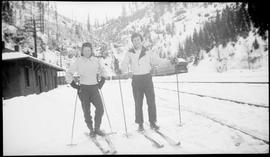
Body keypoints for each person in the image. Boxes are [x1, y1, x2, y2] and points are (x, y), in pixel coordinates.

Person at [116, 33, 177, 132]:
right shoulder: (129, 53)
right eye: (134, 40)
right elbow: (124, 64)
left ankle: (153, 122)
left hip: (147, 79)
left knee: (151, 102)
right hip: (136, 80)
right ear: (132, 42)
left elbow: (158, 61)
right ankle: (140, 124)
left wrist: (170, 61)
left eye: (138, 40)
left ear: (141, 40)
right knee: (138, 103)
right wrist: (124, 71)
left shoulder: (148, 52)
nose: (137, 42)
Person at [66, 42, 107, 137]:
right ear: (82, 51)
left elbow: (103, 70)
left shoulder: (96, 60)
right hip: (83, 89)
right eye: (85, 50)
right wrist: (74, 84)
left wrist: (102, 81)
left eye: (89, 50)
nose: (87, 52)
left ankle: (97, 128)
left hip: (94, 88)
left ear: (91, 51)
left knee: (100, 109)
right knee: (86, 111)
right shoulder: (78, 61)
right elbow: (69, 73)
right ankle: (91, 129)